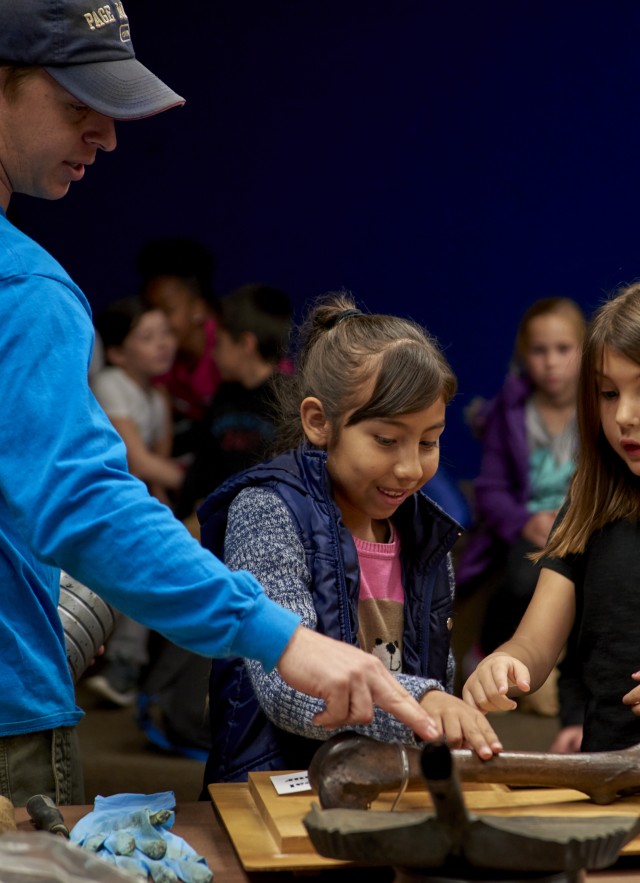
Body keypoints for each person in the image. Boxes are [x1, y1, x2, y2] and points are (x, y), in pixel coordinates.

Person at [0, 0, 439, 807]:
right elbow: (81, 504)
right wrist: (285, 638)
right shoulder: (24, 290)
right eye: (77, 105)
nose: (109, 134)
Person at [198, 292, 503, 785]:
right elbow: (286, 684)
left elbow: (433, 688)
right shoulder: (266, 512)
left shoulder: (427, 535)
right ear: (319, 421)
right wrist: (422, 701)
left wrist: (455, 708)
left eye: (428, 441)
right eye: (386, 440)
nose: (409, 468)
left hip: (390, 792)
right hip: (279, 794)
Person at [462, 282, 640, 753]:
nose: (623, 414)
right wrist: (505, 663)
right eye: (607, 392)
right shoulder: (586, 510)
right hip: (607, 778)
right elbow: (535, 645)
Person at [456, 298, 586, 660]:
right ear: (523, 355)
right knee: (524, 581)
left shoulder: (598, 405)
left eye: (563, 349)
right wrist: (525, 522)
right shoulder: (510, 412)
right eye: (539, 350)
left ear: (584, 349)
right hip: (532, 528)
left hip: (586, 521)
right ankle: (488, 652)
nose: (551, 362)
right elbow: (491, 490)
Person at [88, 296, 184, 707]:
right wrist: (213, 483)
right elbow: (138, 460)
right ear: (116, 352)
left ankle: (130, 668)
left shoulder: (159, 399)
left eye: (165, 333)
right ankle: (121, 664)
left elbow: (157, 466)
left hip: (133, 500)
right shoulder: (110, 384)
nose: (163, 344)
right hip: (98, 498)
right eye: (147, 337)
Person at [175, 281, 293, 523]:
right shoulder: (224, 394)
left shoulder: (289, 401)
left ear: (246, 344)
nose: (212, 353)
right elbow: (200, 467)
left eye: (218, 342)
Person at [138, 236, 221, 460]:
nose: (158, 321)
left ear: (198, 309)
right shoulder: (162, 359)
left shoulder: (227, 350)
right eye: (151, 310)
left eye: (167, 310)